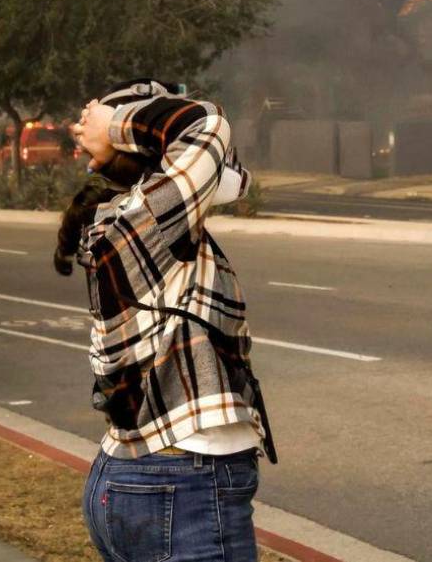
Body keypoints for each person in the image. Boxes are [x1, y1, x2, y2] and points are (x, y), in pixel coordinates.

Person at [62, 77, 276, 562]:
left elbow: (232, 178)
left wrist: (114, 134)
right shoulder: (151, 219)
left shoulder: (133, 216)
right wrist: (111, 125)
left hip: (139, 479)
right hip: (183, 485)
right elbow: (208, 124)